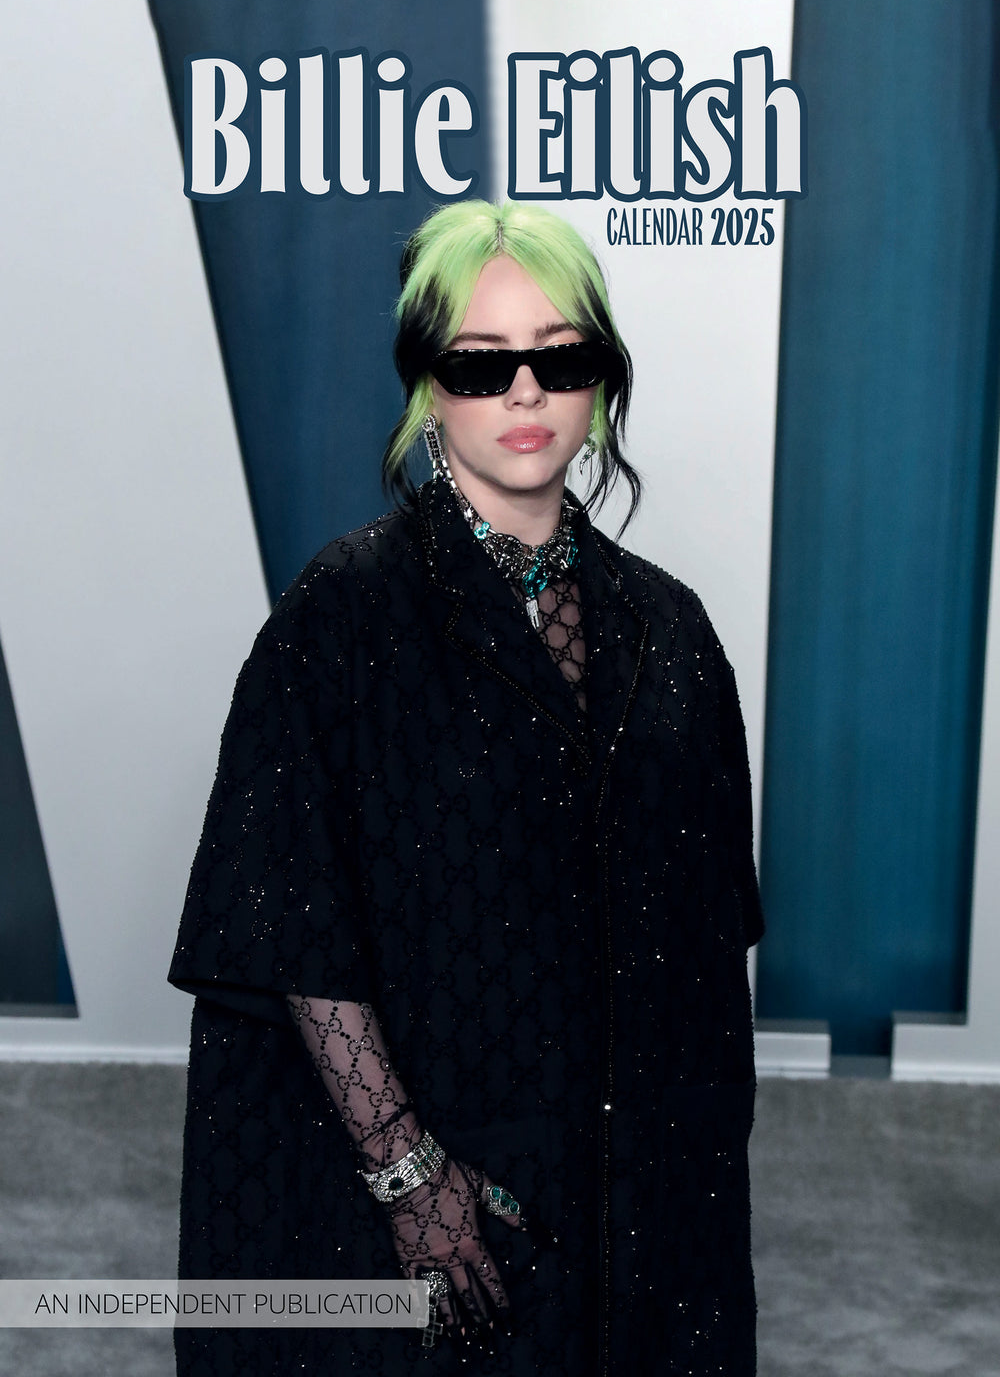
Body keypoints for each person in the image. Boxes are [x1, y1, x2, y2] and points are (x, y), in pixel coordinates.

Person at [169, 199, 764, 1377]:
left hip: (635, 1203)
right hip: (423, 1185)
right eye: (481, 365)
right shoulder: (340, 614)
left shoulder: (673, 630)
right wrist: (410, 1176)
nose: (525, 391)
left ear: (601, 378)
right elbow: (286, 921)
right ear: (427, 388)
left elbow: (708, 952)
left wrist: (688, 1204)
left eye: (560, 357)